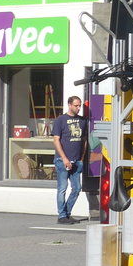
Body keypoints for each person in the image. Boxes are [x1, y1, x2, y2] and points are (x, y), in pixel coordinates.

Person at [52, 95, 85, 223]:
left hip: (77, 160)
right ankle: (61, 215)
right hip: (62, 160)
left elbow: (84, 140)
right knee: (62, 188)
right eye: (76, 105)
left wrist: (81, 158)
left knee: (76, 188)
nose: (78, 108)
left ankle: (67, 213)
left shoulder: (82, 121)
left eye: (80, 105)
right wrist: (64, 158)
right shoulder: (61, 120)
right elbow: (56, 140)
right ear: (69, 105)